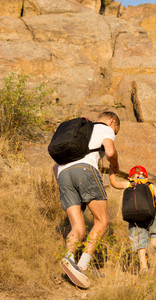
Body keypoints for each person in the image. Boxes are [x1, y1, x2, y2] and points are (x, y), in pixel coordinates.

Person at [53, 111, 120, 289]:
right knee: (102, 221)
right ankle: (83, 265)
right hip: (85, 170)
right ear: (112, 121)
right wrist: (115, 165)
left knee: (78, 226)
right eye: (116, 131)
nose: (114, 133)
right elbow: (110, 151)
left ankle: (68, 258)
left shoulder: (79, 131)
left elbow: (55, 166)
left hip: (63, 175)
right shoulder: (105, 129)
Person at [109, 165, 156, 274]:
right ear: (147, 177)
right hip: (152, 215)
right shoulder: (150, 185)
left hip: (134, 217)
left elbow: (114, 183)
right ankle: (152, 247)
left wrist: (111, 171)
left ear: (130, 178)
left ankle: (144, 268)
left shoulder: (128, 184)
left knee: (140, 242)